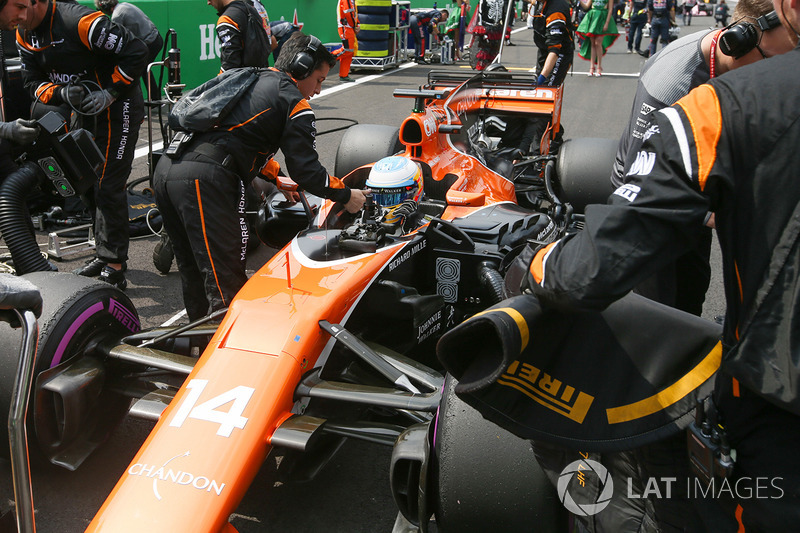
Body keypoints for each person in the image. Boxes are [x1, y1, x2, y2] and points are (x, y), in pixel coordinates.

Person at [523, 0, 800, 526]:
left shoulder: (735, 104)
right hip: (675, 200)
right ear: (750, 35)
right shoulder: (677, 78)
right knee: (660, 309)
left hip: (776, 407)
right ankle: (656, 412)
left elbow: (586, 274)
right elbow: (633, 172)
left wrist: (540, 263)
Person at [153, 32, 369, 321]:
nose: (317, 90)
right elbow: (308, 172)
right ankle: (228, 355)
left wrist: (277, 177)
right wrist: (346, 194)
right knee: (225, 283)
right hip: (205, 180)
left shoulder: (247, 78)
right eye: (318, 80)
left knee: (193, 272)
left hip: (165, 170)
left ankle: (198, 344)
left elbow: (234, 136)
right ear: (302, 67)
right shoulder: (294, 101)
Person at [612, 0, 793, 317]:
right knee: (663, 316)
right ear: (736, 40)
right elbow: (638, 182)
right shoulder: (672, 83)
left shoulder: (736, 64)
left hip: (694, 196)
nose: (776, 75)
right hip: (647, 208)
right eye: (771, 62)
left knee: (692, 296)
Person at [17, 0, 149, 289]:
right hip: (85, 110)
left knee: (108, 182)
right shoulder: (22, 31)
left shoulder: (81, 21)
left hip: (119, 106)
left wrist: (111, 91)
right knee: (84, 178)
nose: (14, 20)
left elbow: (138, 51)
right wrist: (62, 93)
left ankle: (113, 265)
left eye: (14, 12)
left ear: (27, 3)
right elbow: (32, 82)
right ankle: (105, 255)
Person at [93, 0, 163, 99]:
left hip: (150, 42)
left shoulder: (117, 16)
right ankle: (155, 98)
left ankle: (139, 101)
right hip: (155, 39)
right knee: (143, 70)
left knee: (135, 70)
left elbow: (116, 38)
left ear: (106, 8)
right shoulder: (125, 5)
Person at [208, 0, 272, 72]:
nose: (208, 3)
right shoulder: (252, 8)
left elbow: (230, 65)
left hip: (244, 80)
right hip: (263, 75)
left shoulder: (226, 19)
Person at [576, 0, 619, 76]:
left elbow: (610, 10)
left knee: (598, 43)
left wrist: (607, 23)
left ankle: (599, 66)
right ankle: (592, 67)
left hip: (602, 17)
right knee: (592, 44)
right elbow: (586, 6)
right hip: (593, 17)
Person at [337, 0, 358, 82]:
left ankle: (344, 75)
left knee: (350, 51)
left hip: (349, 28)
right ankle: (326, 58)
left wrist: (357, 25)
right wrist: (354, 26)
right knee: (346, 50)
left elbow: (354, 14)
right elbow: (348, 13)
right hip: (345, 27)